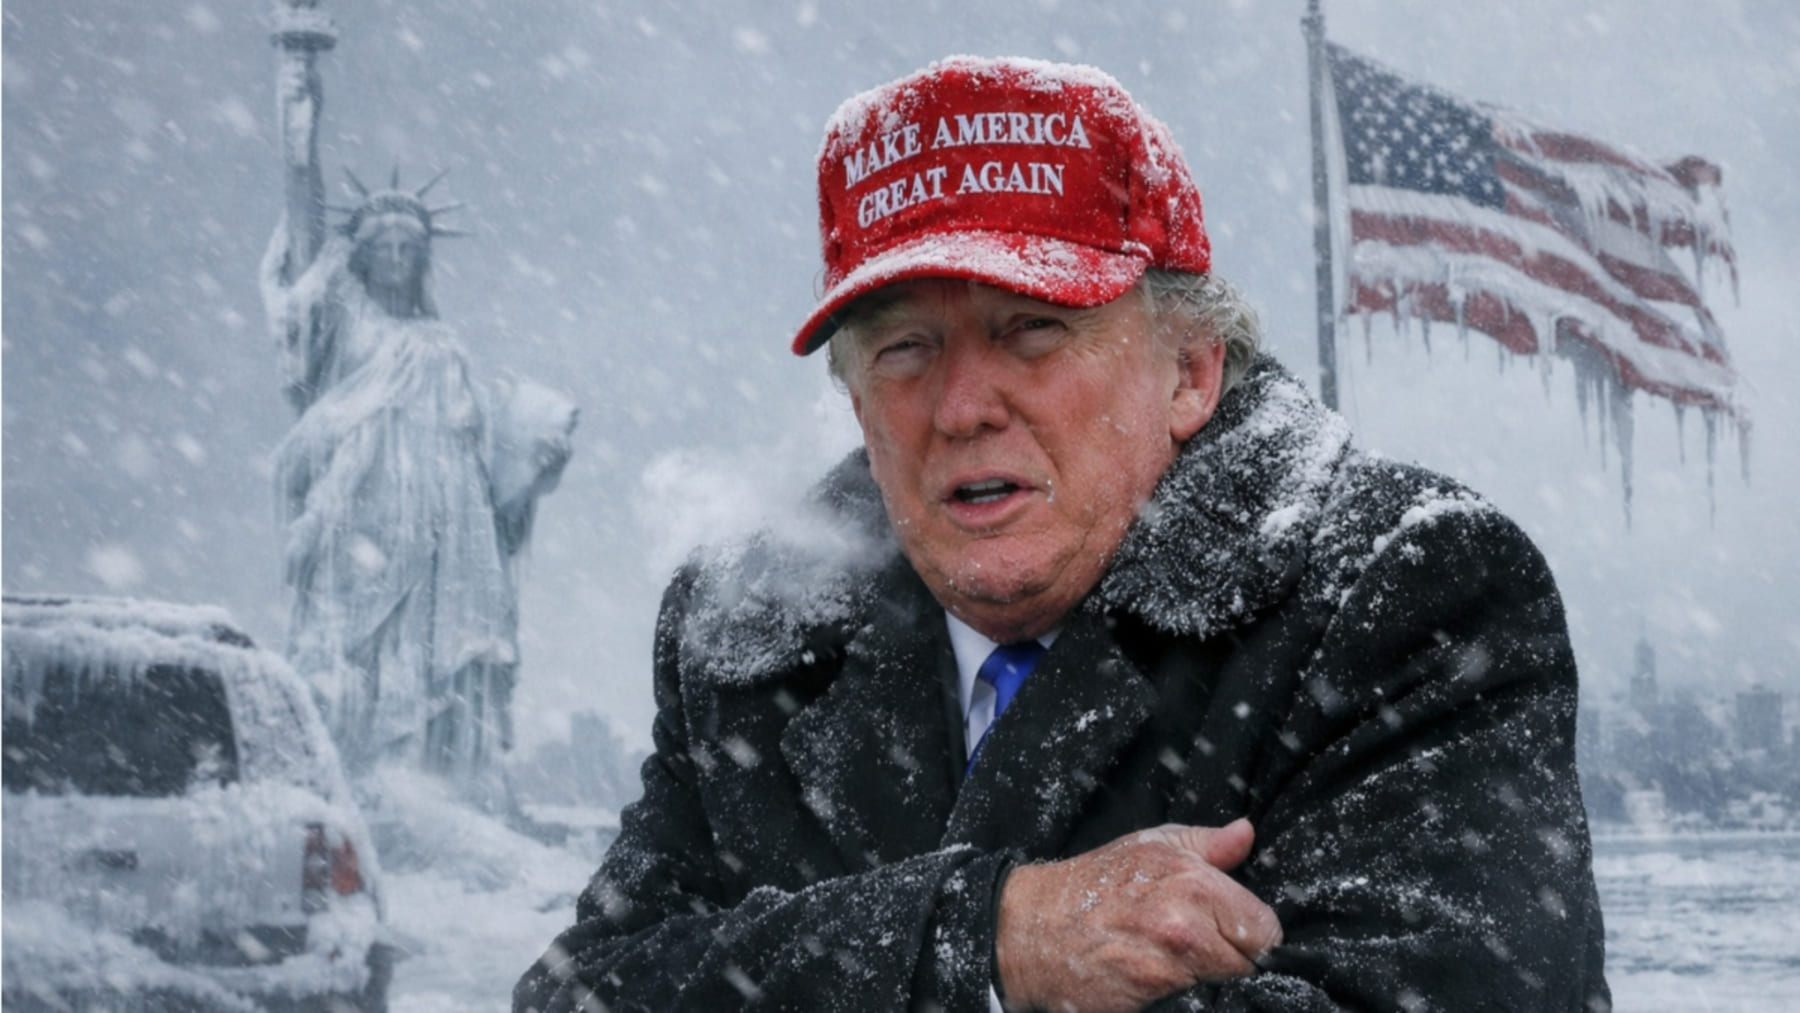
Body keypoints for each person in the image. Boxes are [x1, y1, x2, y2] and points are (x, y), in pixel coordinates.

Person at [517, 56, 1608, 1011]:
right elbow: (585, 992)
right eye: (903, 349)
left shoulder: (1406, 588)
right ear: (854, 398)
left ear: (1189, 370)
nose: (960, 407)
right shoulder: (746, 630)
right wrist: (994, 937)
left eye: (1030, 329)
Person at [260, 181, 576, 790]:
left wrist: (536, 462)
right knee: (359, 654)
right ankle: (362, 783)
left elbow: (485, 460)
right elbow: (297, 299)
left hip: (449, 527)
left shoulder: (445, 344)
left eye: (411, 246)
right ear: (363, 255)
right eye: (386, 246)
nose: (399, 258)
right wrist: (299, 136)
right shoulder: (346, 320)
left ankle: (436, 785)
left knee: (446, 657)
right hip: (363, 506)